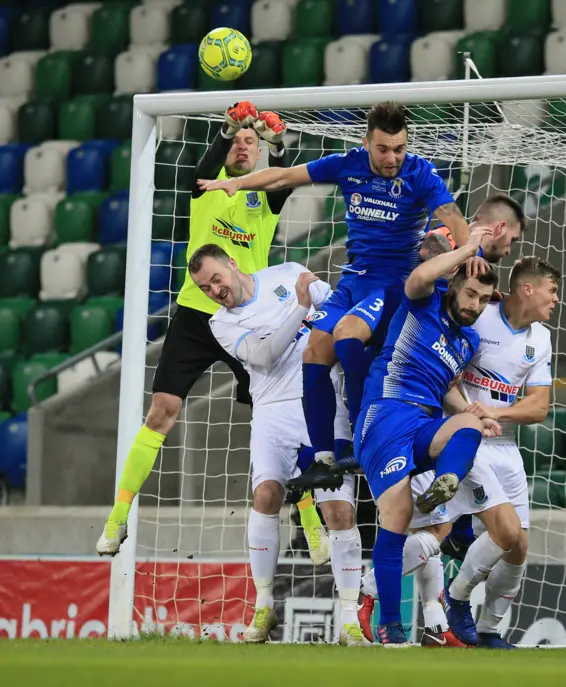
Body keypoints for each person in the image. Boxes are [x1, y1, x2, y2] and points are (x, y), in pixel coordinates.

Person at [97, 102, 329, 564]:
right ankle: (117, 516)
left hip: (251, 319)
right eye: (236, 142)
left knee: (282, 415)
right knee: (161, 410)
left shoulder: (263, 194)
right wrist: (229, 128)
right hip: (195, 318)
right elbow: (203, 165)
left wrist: (278, 141)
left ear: (260, 152)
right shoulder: (206, 189)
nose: (244, 147)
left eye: (251, 141)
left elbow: (284, 176)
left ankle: (309, 521)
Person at [197, 101, 472, 490]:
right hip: (353, 281)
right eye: (383, 149)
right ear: (366, 142)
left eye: (399, 149)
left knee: (345, 334)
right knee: (314, 350)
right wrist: (236, 182)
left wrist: (468, 260)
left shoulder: (420, 173)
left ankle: (364, 436)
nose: (392, 158)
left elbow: (454, 219)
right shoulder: (348, 163)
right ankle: (325, 458)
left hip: (393, 285)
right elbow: (284, 177)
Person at [188, 243, 368, 646]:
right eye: (204, 287)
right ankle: (264, 605)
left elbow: (336, 309)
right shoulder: (221, 323)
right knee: (267, 494)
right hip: (271, 409)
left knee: (339, 511)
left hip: (322, 399)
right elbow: (266, 356)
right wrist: (301, 310)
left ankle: (350, 617)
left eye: (216, 278)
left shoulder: (287, 273)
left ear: (232, 265)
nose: (215, 290)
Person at [354, 225, 500, 646]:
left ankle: (447, 481)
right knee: (397, 518)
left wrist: (474, 413)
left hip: (424, 422)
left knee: (470, 424)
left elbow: (448, 389)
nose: (475, 305)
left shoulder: (467, 340)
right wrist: (470, 246)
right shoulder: (423, 301)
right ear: (453, 285)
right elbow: (419, 278)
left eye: (484, 299)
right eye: (471, 293)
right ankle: (391, 625)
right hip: (384, 416)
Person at [436, 255, 560, 649]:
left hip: (505, 444)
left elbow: (539, 407)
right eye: (552, 291)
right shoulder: (479, 314)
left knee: (519, 545)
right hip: (465, 437)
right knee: (496, 532)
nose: (556, 300)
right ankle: (452, 598)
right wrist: (473, 415)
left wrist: (497, 412)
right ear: (528, 288)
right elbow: (443, 376)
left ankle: (489, 629)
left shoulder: (539, 337)